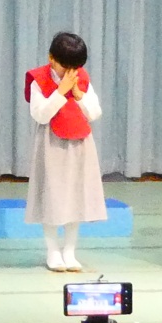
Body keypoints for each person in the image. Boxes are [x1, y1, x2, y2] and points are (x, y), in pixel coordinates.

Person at [24, 31, 105, 272]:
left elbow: (94, 113)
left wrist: (78, 95)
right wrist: (60, 92)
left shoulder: (82, 78)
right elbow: (40, 114)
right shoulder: (38, 79)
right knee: (52, 195)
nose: (70, 72)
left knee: (75, 195)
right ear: (51, 58)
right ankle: (52, 251)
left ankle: (70, 251)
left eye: (75, 67)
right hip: (51, 143)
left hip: (79, 143)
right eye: (64, 66)